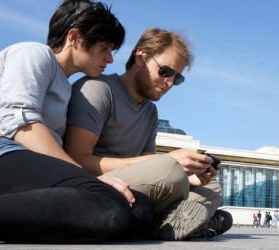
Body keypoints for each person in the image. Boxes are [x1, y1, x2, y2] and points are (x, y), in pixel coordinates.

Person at [0, 0, 152, 243]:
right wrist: (86, 179)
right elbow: (21, 124)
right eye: (105, 47)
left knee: (139, 208)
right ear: (75, 37)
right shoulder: (33, 53)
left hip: (14, 160)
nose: (109, 59)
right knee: (105, 203)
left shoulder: (68, 89)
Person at [64, 27, 231, 240]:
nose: (170, 82)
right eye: (166, 72)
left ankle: (158, 223)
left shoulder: (150, 111)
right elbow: (76, 159)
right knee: (168, 170)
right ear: (141, 57)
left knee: (212, 188)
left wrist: (191, 178)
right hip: (96, 186)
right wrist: (169, 162)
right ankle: (163, 223)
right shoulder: (97, 89)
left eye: (177, 78)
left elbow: (147, 164)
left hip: (135, 188)